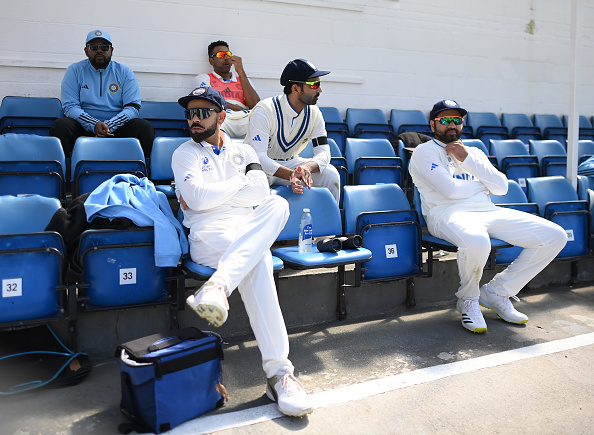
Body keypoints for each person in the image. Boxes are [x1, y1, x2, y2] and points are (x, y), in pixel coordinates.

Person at [171, 86, 313, 417]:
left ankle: (219, 286)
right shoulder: (184, 153)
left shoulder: (245, 151)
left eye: (203, 112)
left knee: (278, 203)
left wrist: (214, 194)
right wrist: (239, 185)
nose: (194, 118)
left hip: (247, 227)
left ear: (221, 116)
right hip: (209, 235)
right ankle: (280, 374)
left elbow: (261, 193)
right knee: (259, 260)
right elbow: (197, 200)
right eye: (190, 112)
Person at [409, 99, 567, 333]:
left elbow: (502, 186)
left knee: (555, 236)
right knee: (477, 240)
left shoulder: (473, 152)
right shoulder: (424, 152)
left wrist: (468, 160)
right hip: (445, 215)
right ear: (433, 125)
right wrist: (483, 186)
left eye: (457, 120)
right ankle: (468, 299)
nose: (452, 125)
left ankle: (496, 293)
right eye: (445, 120)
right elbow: (450, 191)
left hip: (488, 211)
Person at [245, 58, 341, 204]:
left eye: (319, 84)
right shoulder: (264, 110)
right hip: (259, 169)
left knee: (331, 174)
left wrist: (305, 168)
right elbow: (258, 157)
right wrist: (292, 174)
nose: (320, 89)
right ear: (296, 89)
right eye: (314, 85)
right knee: (258, 186)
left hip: (290, 164)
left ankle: (330, 221)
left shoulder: (314, 113)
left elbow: (324, 152)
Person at [50, 30, 154, 156]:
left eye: (105, 47)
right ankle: (64, 172)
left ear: (112, 50)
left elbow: (133, 107)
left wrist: (109, 125)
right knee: (61, 126)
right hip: (83, 125)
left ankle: (145, 173)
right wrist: (94, 124)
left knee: (144, 127)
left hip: (116, 127)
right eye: (94, 47)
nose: (99, 50)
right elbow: (69, 107)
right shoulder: (75, 70)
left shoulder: (124, 72)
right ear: (86, 51)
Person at [193, 40, 260, 138]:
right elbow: (209, 101)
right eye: (221, 55)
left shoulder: (244, 80)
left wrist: (241, 72)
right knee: (211, 121)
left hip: (245, 118)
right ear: (211, 61)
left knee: (262, 121)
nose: (226, 58)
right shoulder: (204, 78)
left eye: (228, 54)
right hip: (222, 117)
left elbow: (255, 105)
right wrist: (240, 109)